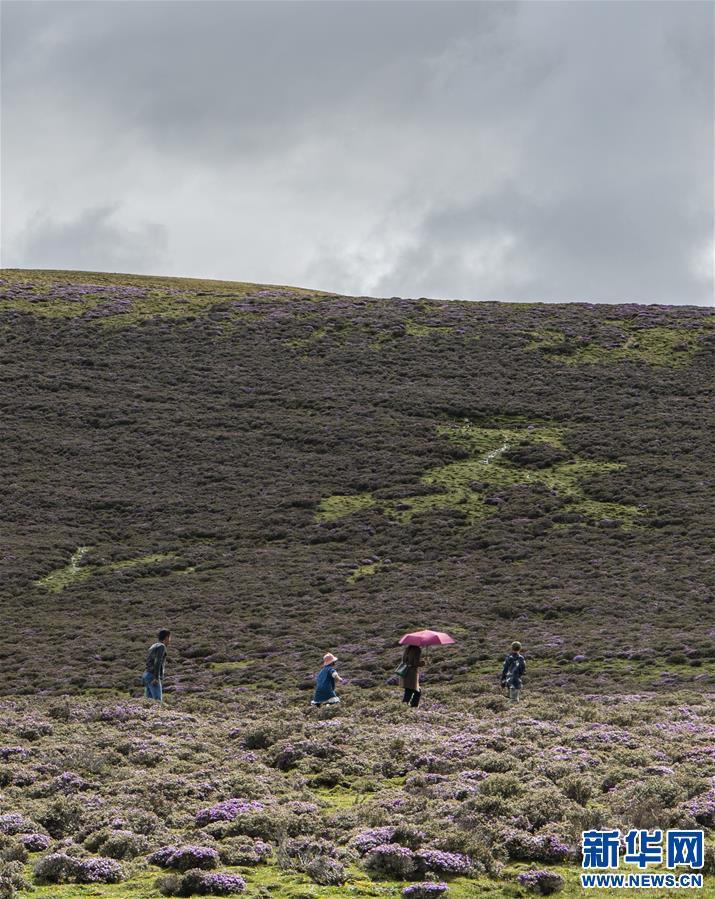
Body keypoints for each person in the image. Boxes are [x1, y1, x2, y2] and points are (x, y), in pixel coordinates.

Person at [142, 629, 171, 702]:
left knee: (149, 702)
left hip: (147, 674)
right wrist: (156, 677)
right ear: (166, 637)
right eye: (169, 638)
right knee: (157, 702)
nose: (170, 640)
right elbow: (158, 662)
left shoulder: (153, 646)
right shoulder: (162, 646)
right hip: (152, 676)